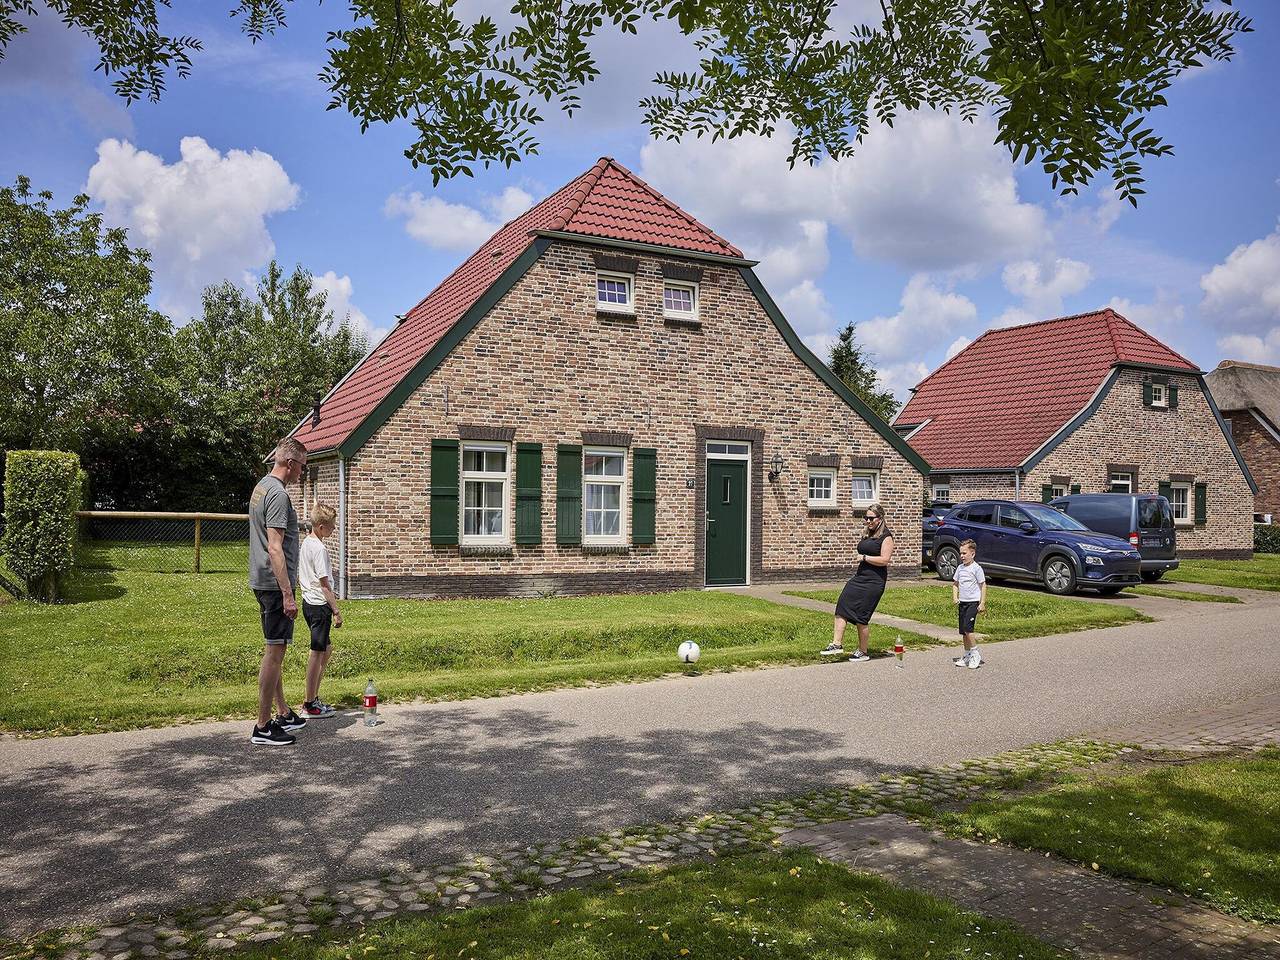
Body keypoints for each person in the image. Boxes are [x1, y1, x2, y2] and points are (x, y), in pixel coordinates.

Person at [249, 436, 309, 745]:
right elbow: (275, 548)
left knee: (276, 649)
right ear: (289, 463)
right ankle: (262, 726)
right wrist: (287, 594)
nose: (302, 473)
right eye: (302, 467)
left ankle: (283, 712)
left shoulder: (262, 487)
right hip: (275, 585)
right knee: (274, 653)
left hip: (264, 581)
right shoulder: (278, 495)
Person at [821, 503, 895, 662]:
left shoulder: (886, 537)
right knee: (842, 604)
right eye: (866, 518)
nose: (868, 521)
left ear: (880, 519)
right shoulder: (868, 533)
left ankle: (863, 652)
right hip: (860, 577)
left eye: (871, 518)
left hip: (874, 581)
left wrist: (865, 558)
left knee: (862, 617)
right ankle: (836, 644)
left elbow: (885, 560)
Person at [298, 502, 342, 718]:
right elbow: (325, 585)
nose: (334, 530)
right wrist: (336, 610)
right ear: (322, 527)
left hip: (308, 602)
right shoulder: (320, 549)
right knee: (317, 653)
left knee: (326, 650)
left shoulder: (306, 543)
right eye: (333, 526)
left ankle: (313, 696)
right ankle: (309, 704)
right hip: (318, 605)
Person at [952, 538, 986, 669]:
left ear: (972, 554)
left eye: (964, 553)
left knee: (968, 628)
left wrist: (982, 603)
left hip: (973, 603)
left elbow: (983, 585)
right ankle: (966, 655)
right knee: (963, 631)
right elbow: (955, 584)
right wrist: (955, 597)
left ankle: (975, 653)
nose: (962, 556)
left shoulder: (977, 568)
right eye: (960, 553)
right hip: (963, 603)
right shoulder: (960, 568)